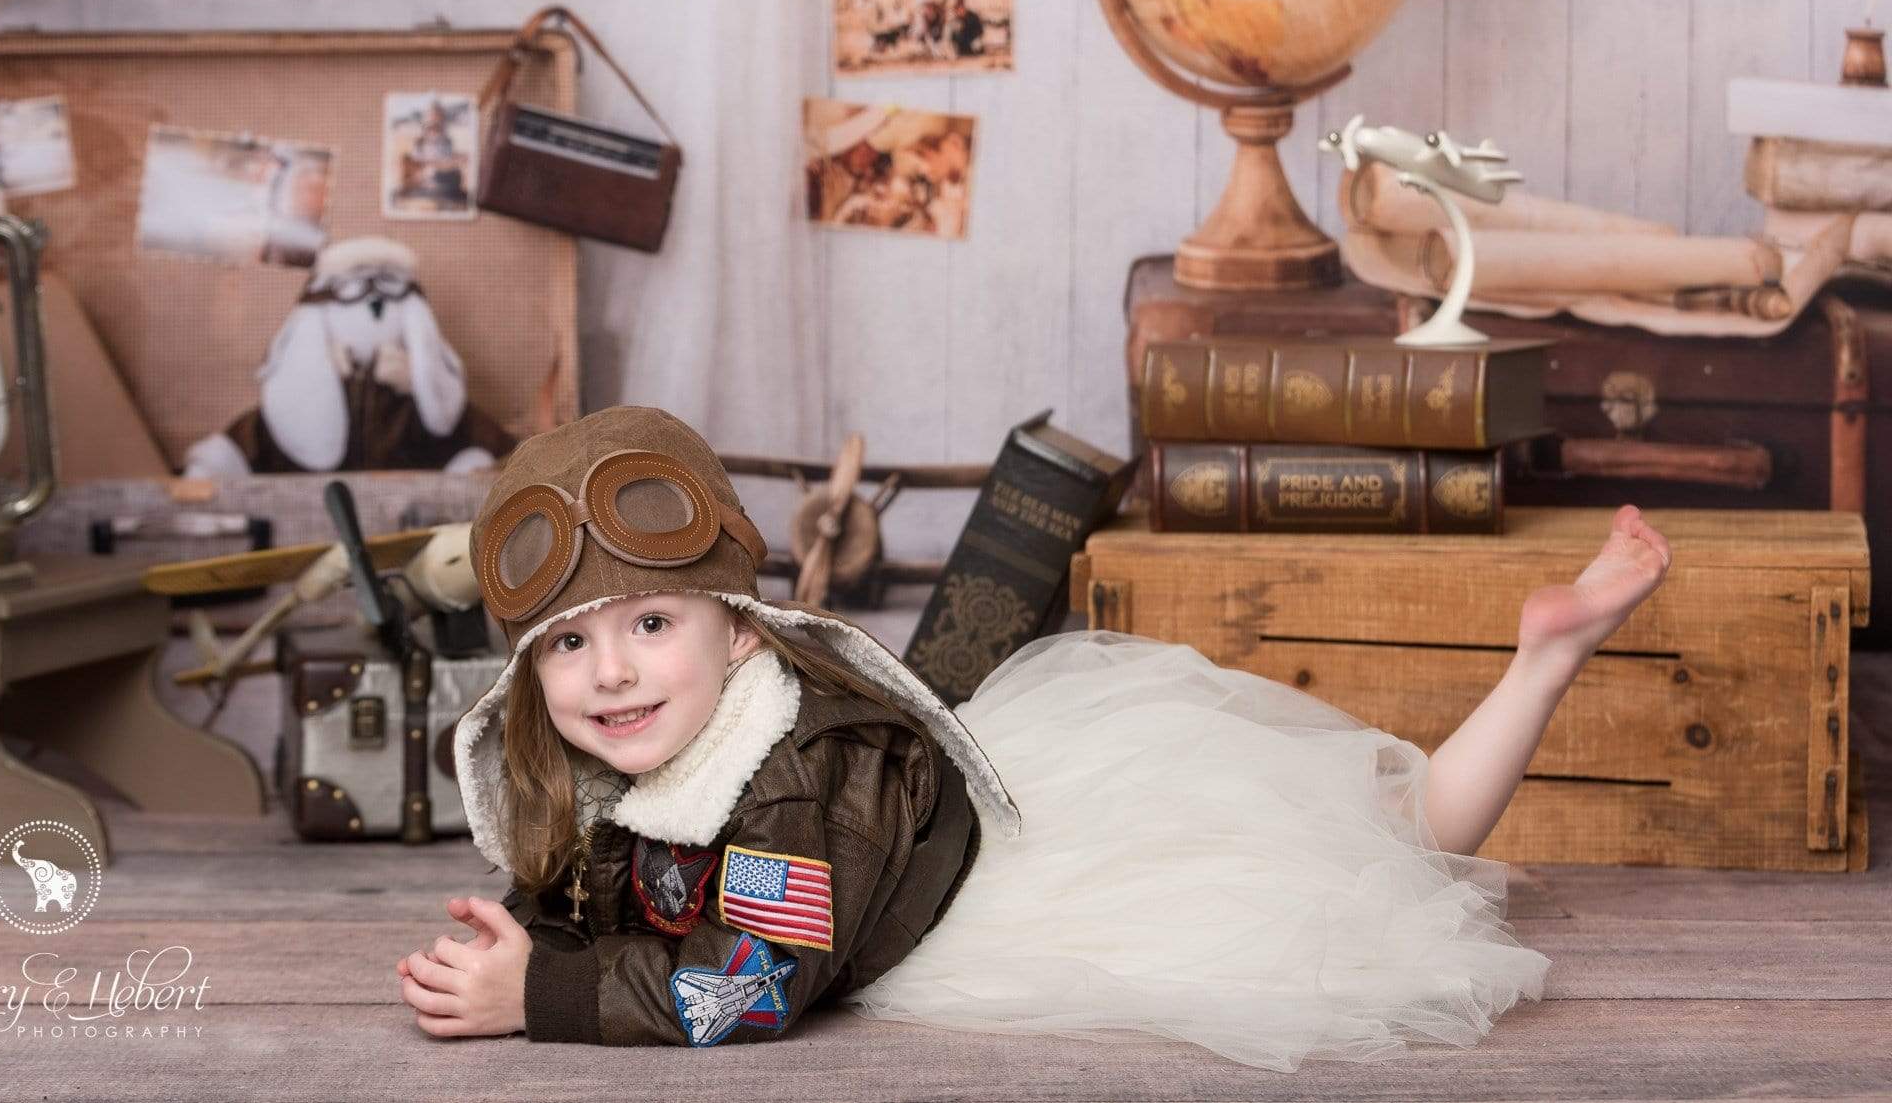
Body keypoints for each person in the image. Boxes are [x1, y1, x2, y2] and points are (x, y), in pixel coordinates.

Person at [395, 406, 1673, 1068]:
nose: (608, 669)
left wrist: (541, 994)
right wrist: (532, 926)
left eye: (649, 623)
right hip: (968, 824)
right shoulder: (633, 743)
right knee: (1367, 842)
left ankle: (1543, 653)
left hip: (1037, 879)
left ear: (738, 632)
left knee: (1383, 852)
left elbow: (754, 986)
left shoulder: (795, 776)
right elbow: (615, 873)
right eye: (567, 642)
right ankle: (1543, 656)